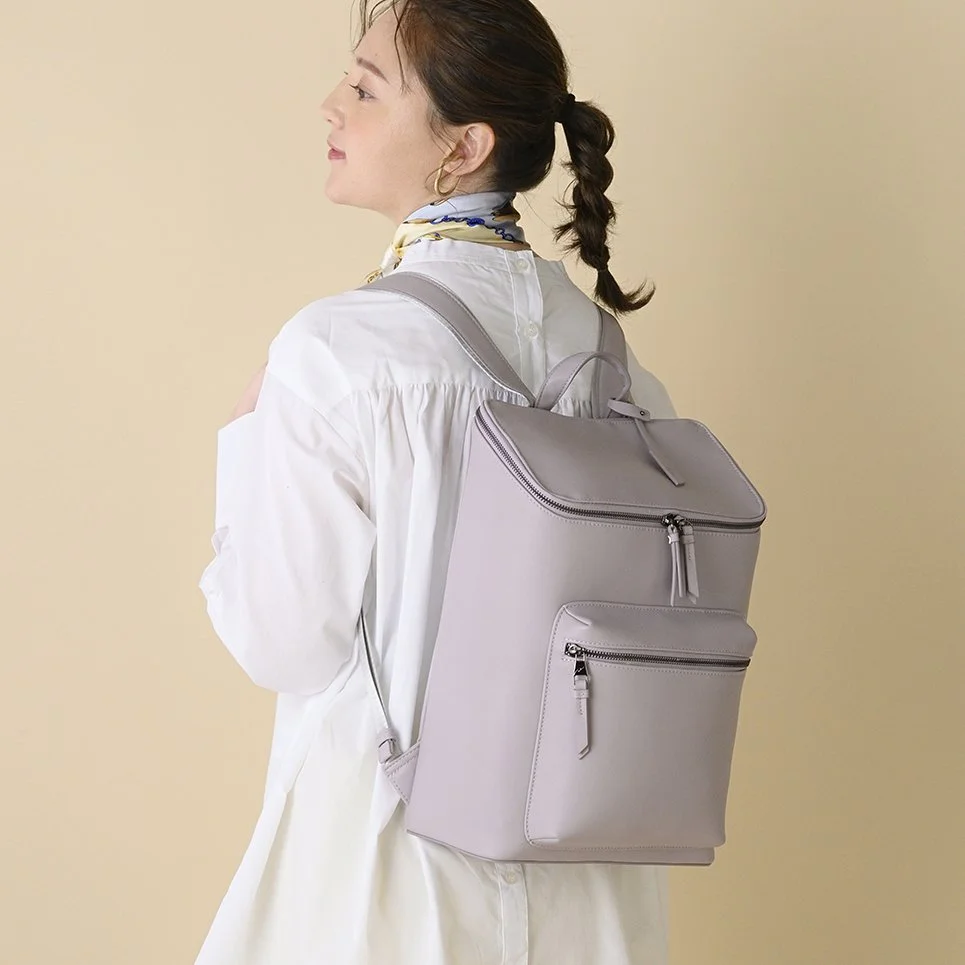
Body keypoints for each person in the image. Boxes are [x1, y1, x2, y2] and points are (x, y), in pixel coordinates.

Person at [195, 1, 678, 962]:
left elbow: (283, 641)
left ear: (462, 146)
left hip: (387, 873)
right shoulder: (615, 364)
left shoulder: (337, 350)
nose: (330, 104)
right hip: (589, 875)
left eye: (366, 87)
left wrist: (247, 437)